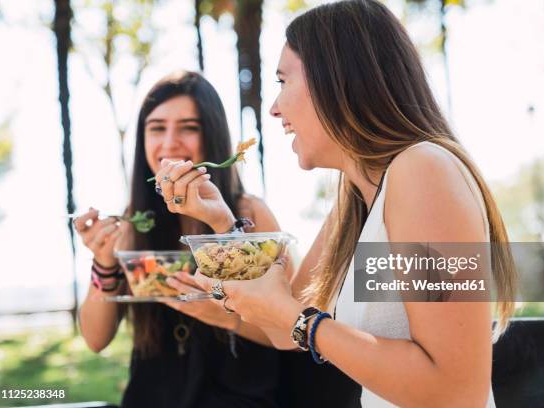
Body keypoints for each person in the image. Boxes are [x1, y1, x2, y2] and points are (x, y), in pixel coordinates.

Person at [164, 1, 517, 407]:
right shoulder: (357, 200)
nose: (274, 107)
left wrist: (301, 322)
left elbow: (458, 392)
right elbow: (283, 328)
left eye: (283, 81)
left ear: (337, 79)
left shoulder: (423, 171)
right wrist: (222, 221)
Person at [74, 71, 286, 408]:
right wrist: (103, 262)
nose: (170, 142)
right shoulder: (133, 221)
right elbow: (96, 339)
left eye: (189, 127)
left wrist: (224, 316)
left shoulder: (249, 213)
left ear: (212, 136)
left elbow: (287, 333)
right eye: (157, 128)